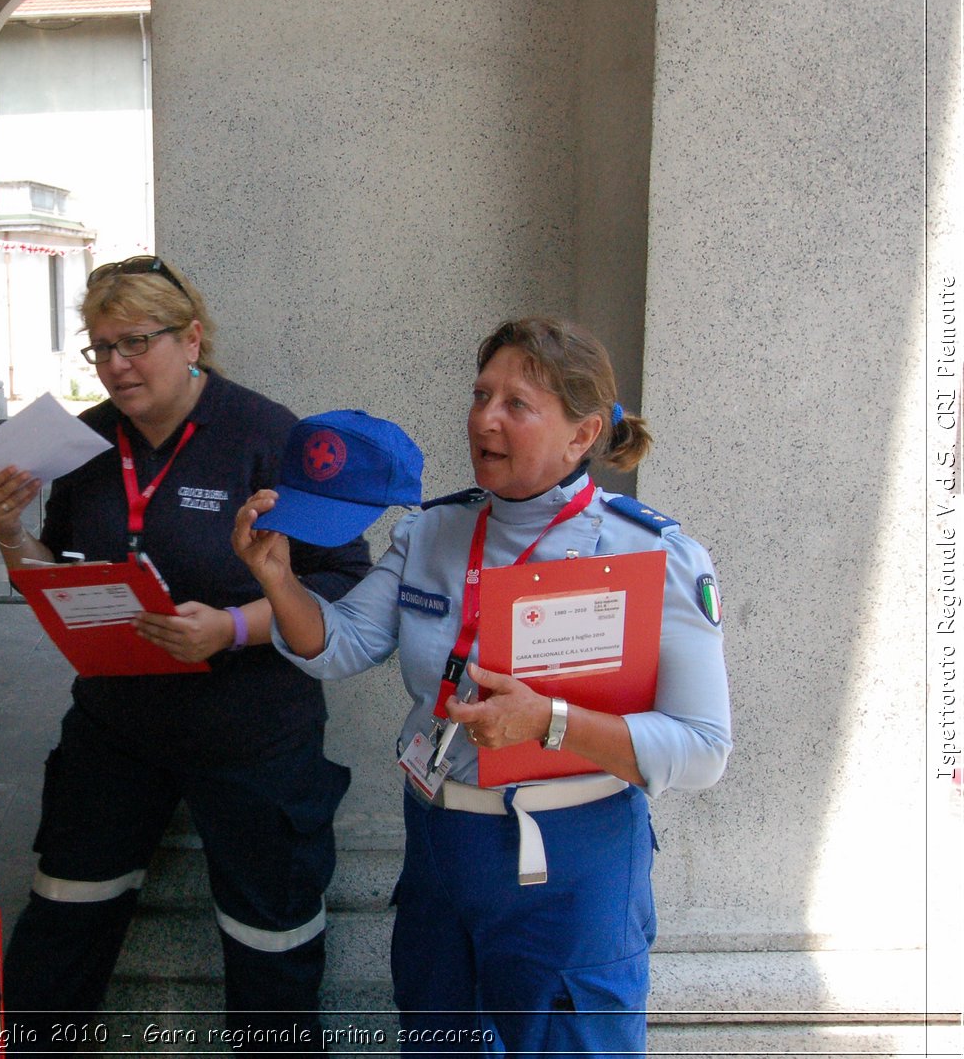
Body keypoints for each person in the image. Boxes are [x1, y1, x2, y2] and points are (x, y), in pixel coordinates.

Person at [233, 317, 732, 1055]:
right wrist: (276, 581)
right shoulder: (431, 533)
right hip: (441, 844)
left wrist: (551, 722)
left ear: (582, 432)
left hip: (570, 858)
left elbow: (703, 749)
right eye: (479, 394)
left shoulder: (653, 554)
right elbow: (339, 646)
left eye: (516, 404)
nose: (484, 419)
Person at [0, 255, 373, 1052]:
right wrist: (11, 534)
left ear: (191, 339)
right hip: (117, 730)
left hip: (252, 735)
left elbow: (342, 579)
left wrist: (229, 628)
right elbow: (55, 575)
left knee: (273, 948)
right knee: (62, 924)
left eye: (136, 343)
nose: (117, 365)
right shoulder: (82, 444)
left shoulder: (265, 435)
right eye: (100, 347)